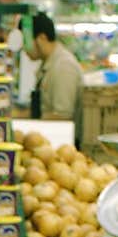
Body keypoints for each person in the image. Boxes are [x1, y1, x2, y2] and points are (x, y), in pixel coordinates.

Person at [30, 13, 85, 146]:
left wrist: (32, 122)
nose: (24, 49)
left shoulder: (63, 66)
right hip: (48, 141)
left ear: (41, 38)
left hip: (63, 146)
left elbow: (63, 115)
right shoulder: (47, 63)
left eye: (26, 42)